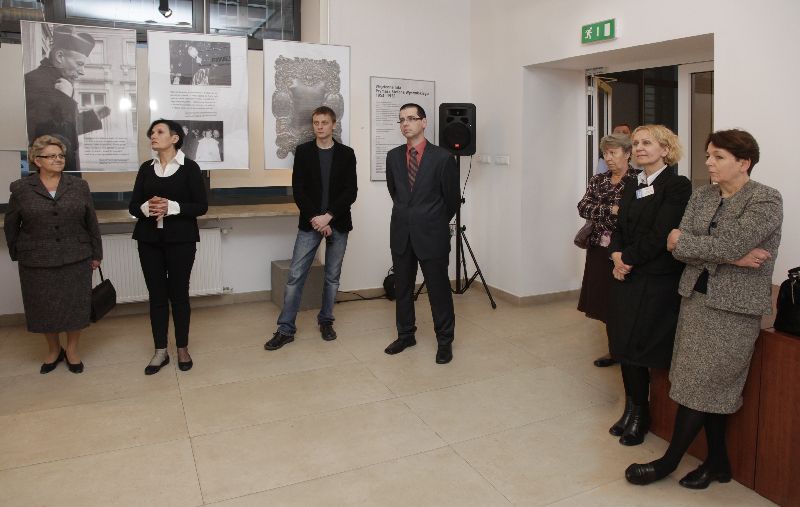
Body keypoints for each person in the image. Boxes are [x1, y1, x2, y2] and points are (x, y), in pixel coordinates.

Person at [625, 129, 782, 488]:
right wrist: (732, 257)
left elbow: (721, 243)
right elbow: (675, 246)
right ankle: (719, 464)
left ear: (744, 163)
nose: (708, 162)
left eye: (718, 157)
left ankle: (668, 462)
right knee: (702, 386)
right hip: (695, 300)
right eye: (709, 155)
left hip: (734, 310)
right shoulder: (703, 195)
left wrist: (713, 248)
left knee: (707, 385)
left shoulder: (766, 199)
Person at [606, 124, 692, 446]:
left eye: (647, 143)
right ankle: (631, 408)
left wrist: (625, 259)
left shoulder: (677, 185)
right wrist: (616, 254)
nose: (639, 148)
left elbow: (661, 234)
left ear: (665, 150)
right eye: (637, 143)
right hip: (627, 274)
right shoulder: (634, 182)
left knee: (641, 346)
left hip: (656, 279)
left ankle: (642, 416)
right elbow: (619, 226)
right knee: (623, 343)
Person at [4, 135, 102, 374]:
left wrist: (96, 253)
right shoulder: (21, 188)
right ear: (37, 160)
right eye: (51, 156)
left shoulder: (79, 186)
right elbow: (11, 225)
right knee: (44, 308)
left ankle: (72, 350)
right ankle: (53, 349)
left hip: (76, 256)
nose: (58, 160)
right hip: (36, 260)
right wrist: (19, 254)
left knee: (75, 306)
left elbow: (91, 222)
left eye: (60, 156)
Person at [264, 106, 358, 350]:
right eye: (316, 122)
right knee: (296, 275)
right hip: (310, 222)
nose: (320, 127)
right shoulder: (304, 152)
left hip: (338, 222)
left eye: (324, 122)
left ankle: (326, 321)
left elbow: (351, 191)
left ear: (333, 125)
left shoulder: (346, 154)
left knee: (332, 277)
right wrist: (317, 218)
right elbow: (299, 190)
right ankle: (285, 329)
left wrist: (329, 217)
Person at [129, 119, 208, 375]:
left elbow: (201, 206)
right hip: (148, 241)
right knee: (157, 297)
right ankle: (160, 350)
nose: (153, 136)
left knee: (179, 295)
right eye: (151, 132)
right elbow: (133, 206)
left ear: (174, 138)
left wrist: (171, 207)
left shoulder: (190, 168)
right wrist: (147, 207)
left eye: (159, 132)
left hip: (181, 241)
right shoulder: (146, 168)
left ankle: (182, 348)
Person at [384, 103, 460, 364]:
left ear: (424, 122)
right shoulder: (393, 156)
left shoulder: (443, 157)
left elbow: (452, 200)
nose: (405, 123)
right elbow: (396, 193)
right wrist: (410, 217)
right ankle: (406, 335)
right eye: (401, 119)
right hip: (401, 234)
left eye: (411, 118)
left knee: (439, 291)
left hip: (432, 235)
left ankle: (445, 342)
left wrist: (432, 220)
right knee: (403, 289)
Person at [577, 133, 638, 364]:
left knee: (623, 302)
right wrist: (611, 209)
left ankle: (627, 350)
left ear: (627, 153)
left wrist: (604, 209)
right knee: (603, 300)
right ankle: (615, 350)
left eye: (613, 152)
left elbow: (632, 215)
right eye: (605, 153)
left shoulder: (638, 180)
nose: (609, 158)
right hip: (598, 248)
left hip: (624, 249)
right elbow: (583, 207)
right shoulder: (598, 180)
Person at [24, 25, 111, 173]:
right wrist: (66, 99)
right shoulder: (34, 81)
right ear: (59, 57)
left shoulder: (60, 81)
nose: (82, 71)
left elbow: (63, 124)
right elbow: (48, 134)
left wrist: (92, 117)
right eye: (79, 64)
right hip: (51, 172)